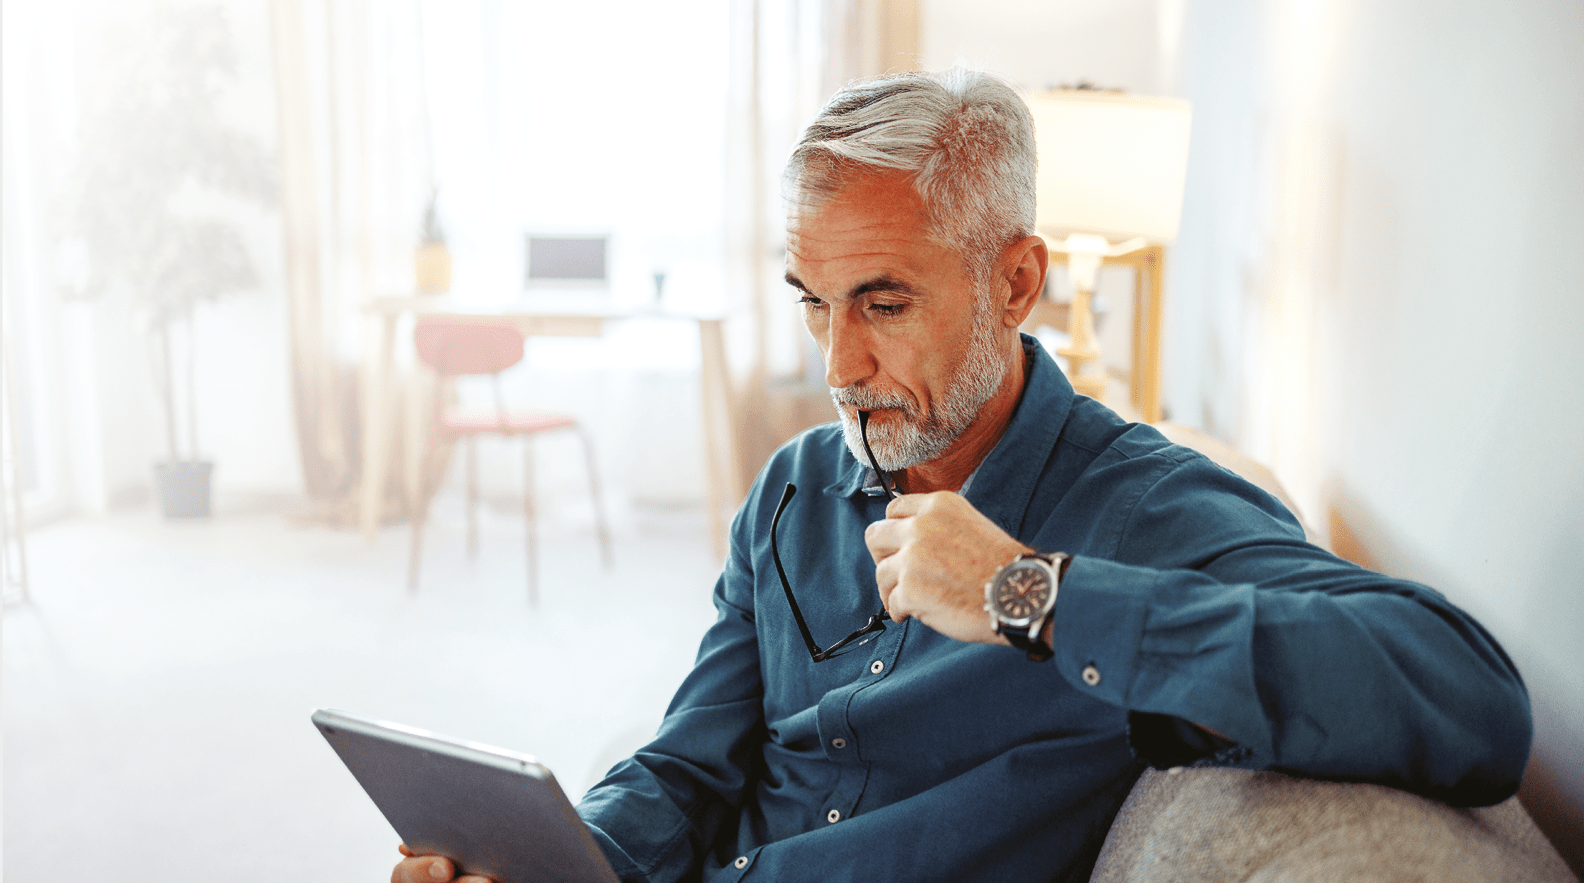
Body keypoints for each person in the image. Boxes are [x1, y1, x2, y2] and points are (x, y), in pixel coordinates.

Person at [393, 68, 1531, 883]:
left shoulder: (1141, 507)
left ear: (1016, 281)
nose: (838, 366)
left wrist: (1025, 592)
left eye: (884, 303)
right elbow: (689, 766)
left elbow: (1468, 694)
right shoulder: (792, 490)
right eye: (814, 304)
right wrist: (558, 853)